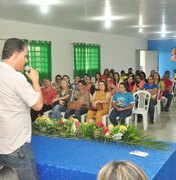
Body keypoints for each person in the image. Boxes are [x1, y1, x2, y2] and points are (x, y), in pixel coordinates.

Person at [0, 38, 43, 180]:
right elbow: (38, 105)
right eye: (25, 56)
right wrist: (35, 81)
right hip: (16, 145)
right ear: (15, 55)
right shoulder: (16, 77)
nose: (25, 61)